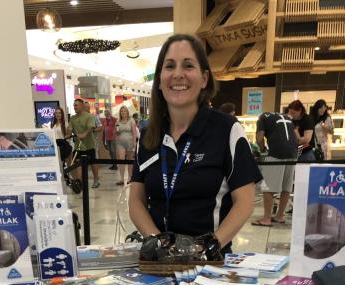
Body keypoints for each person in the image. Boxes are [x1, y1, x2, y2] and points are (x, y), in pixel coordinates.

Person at [129, 33, 262, 253]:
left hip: (209, 263)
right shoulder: (147, 134)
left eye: (188, 66)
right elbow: (136, 200)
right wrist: (157, 241)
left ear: (204, 79)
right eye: (169, 66)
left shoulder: (227, 129)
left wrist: (209, 246)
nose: (178, 74)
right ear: (160, 80)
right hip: (159, 261)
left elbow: (245, 201)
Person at [252, 112, 298, 227]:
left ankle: (266, 219)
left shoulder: (262, 117)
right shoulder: (287, 117)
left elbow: (259, 138)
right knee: (286, 186)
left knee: (268, 187)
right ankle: (279, 216)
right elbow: (296, 137)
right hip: (293, 152)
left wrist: (263, 150)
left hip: (277, 151)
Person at [67, 98, 100, 188]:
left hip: (89, 145)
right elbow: (70, 129)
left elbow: (90, 128)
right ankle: (79, 182)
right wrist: (68, 134)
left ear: (81, 106)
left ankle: (96, 179)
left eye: (76, 105)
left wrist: (84, 134)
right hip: (78, 146)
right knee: (78, 164)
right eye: (74, 105)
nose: (74, 107)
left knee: (93, 163)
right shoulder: (72, 118)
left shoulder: (89, 116)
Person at [115, 105, 137, 186]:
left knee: (129, 159)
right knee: (121, 160)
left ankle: (130, 178)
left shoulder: (131, 120)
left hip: (130, 142)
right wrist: (116, 132)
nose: (123, 112)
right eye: (121, 111)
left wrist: (134, 143)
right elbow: (116, 133)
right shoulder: (118, 121)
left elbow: (134, 133)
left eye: (124, 111)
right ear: (120, 113)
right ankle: (121, 178)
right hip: (120, 143)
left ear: (127, 112)